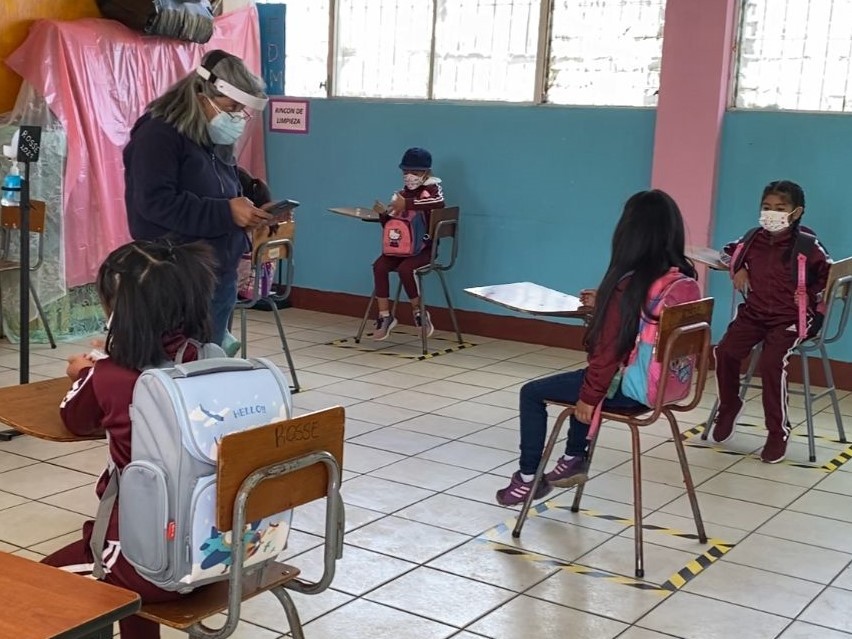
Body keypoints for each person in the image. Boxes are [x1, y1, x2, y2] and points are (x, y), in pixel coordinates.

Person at [43, 239, 217, 639]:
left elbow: (75, 419)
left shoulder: (108, 377)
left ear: (117, 312)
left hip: (143, 563)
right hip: (221, 554)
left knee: (36, 588)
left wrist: (83, 373)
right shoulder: (210, 359)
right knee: (120, 574)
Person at [496, 190, 698, 506]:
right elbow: (642, 324)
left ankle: (528, 478)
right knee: (588, 380)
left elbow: (609, 350)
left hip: (628, 389)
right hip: (665, 388)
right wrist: (605, 303)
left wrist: (590, 397)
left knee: (535, 392)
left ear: (629, 233)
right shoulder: (678, 278)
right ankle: (574, 457)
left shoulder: (627, 284)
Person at [124, 49, 271, 350]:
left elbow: (219, 182)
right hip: (177, 274)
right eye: (231, 107)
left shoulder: (209, 134)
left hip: (217, 272)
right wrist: (226, 212)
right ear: (202, 95)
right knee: (180, 367)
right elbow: (155, 203)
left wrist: (253, 198)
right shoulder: (157, 134)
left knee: (209, 363)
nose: (237, 117)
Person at [710, 180, 830, 463]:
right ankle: (729, 406)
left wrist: (811, 298)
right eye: (766, 207)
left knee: (771, 362)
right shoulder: (753, 238)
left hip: (791, 318)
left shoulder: (808, 246)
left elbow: (830, 276)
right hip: (755, 313)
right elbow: (729, 251)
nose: (771, 214)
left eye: (780, 208)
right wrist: (737, 267)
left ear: (796, 212)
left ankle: (777, 431)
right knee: (725, 351)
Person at [371, 147, 445, 340]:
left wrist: (408, 205)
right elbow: (392, 227)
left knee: (406, 270)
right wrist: (384, 214)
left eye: (415, 172)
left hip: (424, 249)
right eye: (406, 172)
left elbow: (438, 203)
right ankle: (385, 316)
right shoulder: (400, 194)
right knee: (379, 266)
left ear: (426, 172)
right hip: (400, 248)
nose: (410, 176)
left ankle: (419, 313)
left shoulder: (432, 190)